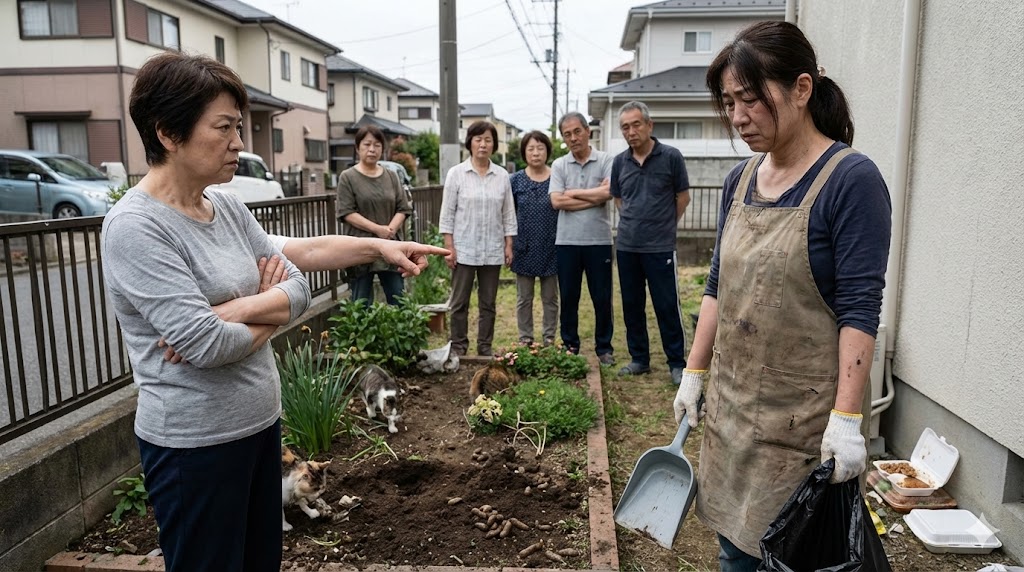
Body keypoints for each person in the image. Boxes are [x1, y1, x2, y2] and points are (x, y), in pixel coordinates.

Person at [672, 21, 892, 570]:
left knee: (790, 554)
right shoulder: (738, 181)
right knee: (733, 549)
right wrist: (694, 373)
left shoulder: (850, 180)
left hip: (803, 423)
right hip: (734, 409)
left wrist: (846, 418)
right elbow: (719, 286)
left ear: (800, 89)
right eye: (729, 103)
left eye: (751, 99)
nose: (738, 117)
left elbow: (860, 308)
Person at [101, 52, 311, 572]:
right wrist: (269, 310)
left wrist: (233, 309)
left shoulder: (229, 207)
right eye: (225, 127)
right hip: (195, 449)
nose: (239, 142)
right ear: (168, 133)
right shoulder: (136, 227)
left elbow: (302, 288)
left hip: (260, 427)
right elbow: (207, 346)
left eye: (238, 126)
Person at [610, 101, 690, 382]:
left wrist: (664, 225)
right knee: (632, 305)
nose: (631, 131)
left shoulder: (671, 157)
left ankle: (677, 363)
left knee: (667, 305)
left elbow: (683, 197)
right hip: (628, 245)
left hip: (660, 246)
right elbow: (620, 200)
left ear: (649, 125)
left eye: (636, 124)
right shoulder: (620, 162)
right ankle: (639, 359)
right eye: (625, 127)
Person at [438, 120, 517, 357]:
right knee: (459, 301)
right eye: (478, 139)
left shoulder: (501, 175)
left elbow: (508, 212)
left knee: (488, 304)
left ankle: (485, 347)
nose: (483, 144)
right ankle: (459, 346)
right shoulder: (456, 174)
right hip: (463, 248)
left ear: (494, 145)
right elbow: (447, 212)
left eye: (488, 140)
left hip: (492, 248)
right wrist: (449, 246)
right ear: (470, 143)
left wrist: (509, 244)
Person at [549, 112, 616, 364]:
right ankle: (570, 345)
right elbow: (556, 201)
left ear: (588, 131)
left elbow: (609, 192)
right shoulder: (559, 165)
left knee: (602, 297)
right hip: (566, 242)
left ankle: (604, 348)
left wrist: (574, 193)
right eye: (567, 134)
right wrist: (593, 195)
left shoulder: (606, 160)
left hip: (599, 241)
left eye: (577, 131)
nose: (573, 138)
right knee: (569, 296)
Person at [336, 125, 414, 304]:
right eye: (367, 144)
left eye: (377, 145)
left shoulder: (392, 176)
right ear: (358, 148)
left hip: (391, 245)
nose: (372, 149)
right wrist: (378, 229)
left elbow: (403, 207)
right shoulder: (347, 177)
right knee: (360, 303)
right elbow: (346, 212)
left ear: (382, 149)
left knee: (399, 300)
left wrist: (390, 229)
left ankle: (400, 332)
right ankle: (362, 333)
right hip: (360, 247)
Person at [510, 131, 559, 346]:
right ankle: (525, 338)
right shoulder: (515, 180)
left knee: (550, 298)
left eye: (540, 148)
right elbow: (508, 214)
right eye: (530, 148)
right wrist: (509, 244)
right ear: (524, 153)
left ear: (547, 150)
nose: (536, 153)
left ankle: (549, 337)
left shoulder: (557, 177)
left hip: (552, 245)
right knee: (524, 298)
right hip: (524, 246)